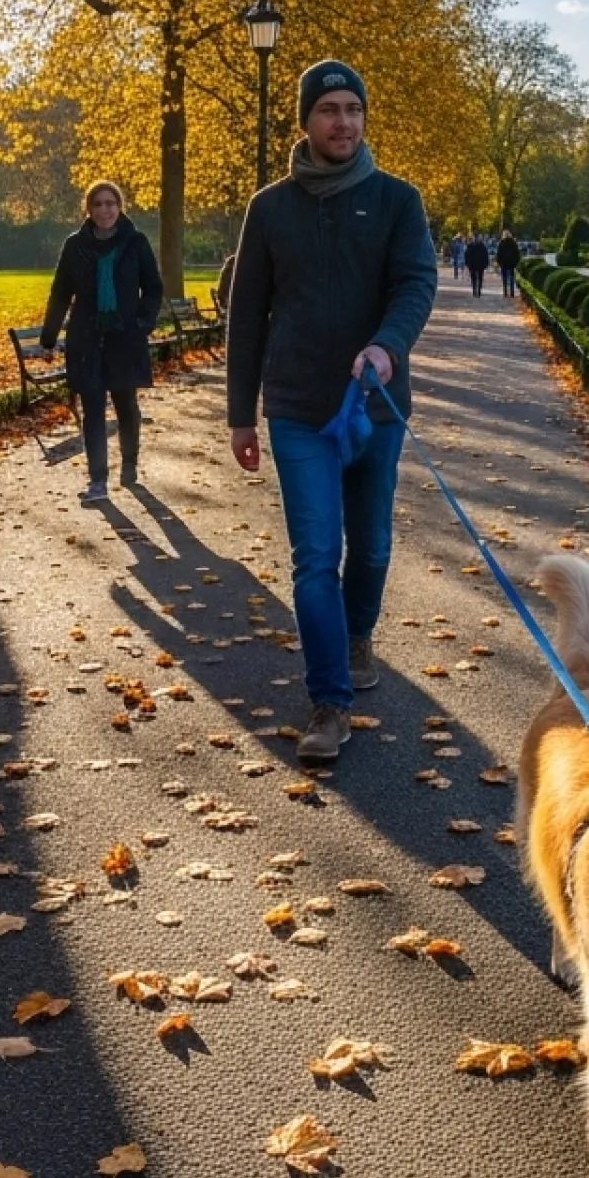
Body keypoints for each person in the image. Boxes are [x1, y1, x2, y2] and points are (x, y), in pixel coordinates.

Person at [224, 59, 439, 764]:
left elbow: (415, 284)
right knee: (316, 557)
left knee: (371, 548)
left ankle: (357, 633)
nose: (343, 121)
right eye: (328, 110)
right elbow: (247, 315)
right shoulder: (271, 207)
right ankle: (329, 702)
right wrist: (240, 413)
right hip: (296, 410)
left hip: (375, 407)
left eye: (353, 108)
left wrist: (387, 347)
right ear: (306, 121)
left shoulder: (397, 201)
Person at [40, 180, 164, 504]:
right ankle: (98, 480)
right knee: (92, 408)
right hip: (86, 339)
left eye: (110, 203)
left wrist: (142, 324)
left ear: (119, 207)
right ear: (89, 210)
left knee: (126, 406)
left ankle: (129, 464)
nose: (105, 210)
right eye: (98, 204)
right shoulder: (74, 246)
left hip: (124, 338)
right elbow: (60, 293)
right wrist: (49, 337)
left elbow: (153, 288)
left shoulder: (135, 243)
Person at [494, 228, 521, 299]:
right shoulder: (513, 243)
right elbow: (517, 253)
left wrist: (499, 262)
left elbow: (498, 254)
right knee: (512, 278)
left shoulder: (501, 243)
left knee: (504, 278)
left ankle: (505, 292)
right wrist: (516, 262)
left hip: (504, 263)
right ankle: (512, 293)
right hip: (512, 263)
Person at [465, 231, 490, 297]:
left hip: (472, 264)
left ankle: (474, 290)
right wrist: (486, 263)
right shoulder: (482, 246)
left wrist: (467, 263)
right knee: (480, 277)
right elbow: (485, 255)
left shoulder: (470, 246)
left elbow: (467, 255)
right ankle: (479, 290)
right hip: (480, 264)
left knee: (473, 278)